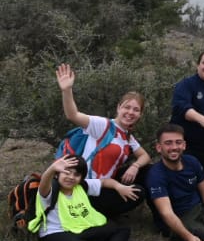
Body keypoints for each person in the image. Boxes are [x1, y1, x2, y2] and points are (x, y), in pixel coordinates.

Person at [54, 63, 150, 217]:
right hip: (85, 185)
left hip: (104, 184)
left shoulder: (127, 136)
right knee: (138, 193)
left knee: (147, 171)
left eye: (136, 110)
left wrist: (135, 166)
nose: (130, 112)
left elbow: (145, 156)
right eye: (127, 107)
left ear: (140, 115)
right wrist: (67, 90)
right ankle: (93, 212)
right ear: (119, 108)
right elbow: (73, 115)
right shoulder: (102, 125)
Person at [29, 155, 139, 241]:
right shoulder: (51, 189)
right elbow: (43, 186)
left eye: (76, 174)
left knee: (121, 229)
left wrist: (119, 186)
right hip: (55, 233)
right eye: (67, 172)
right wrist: (52, 169)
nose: (71, 177)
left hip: (80, 229)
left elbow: (104, 182)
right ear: (57, 174)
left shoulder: (81, 186)